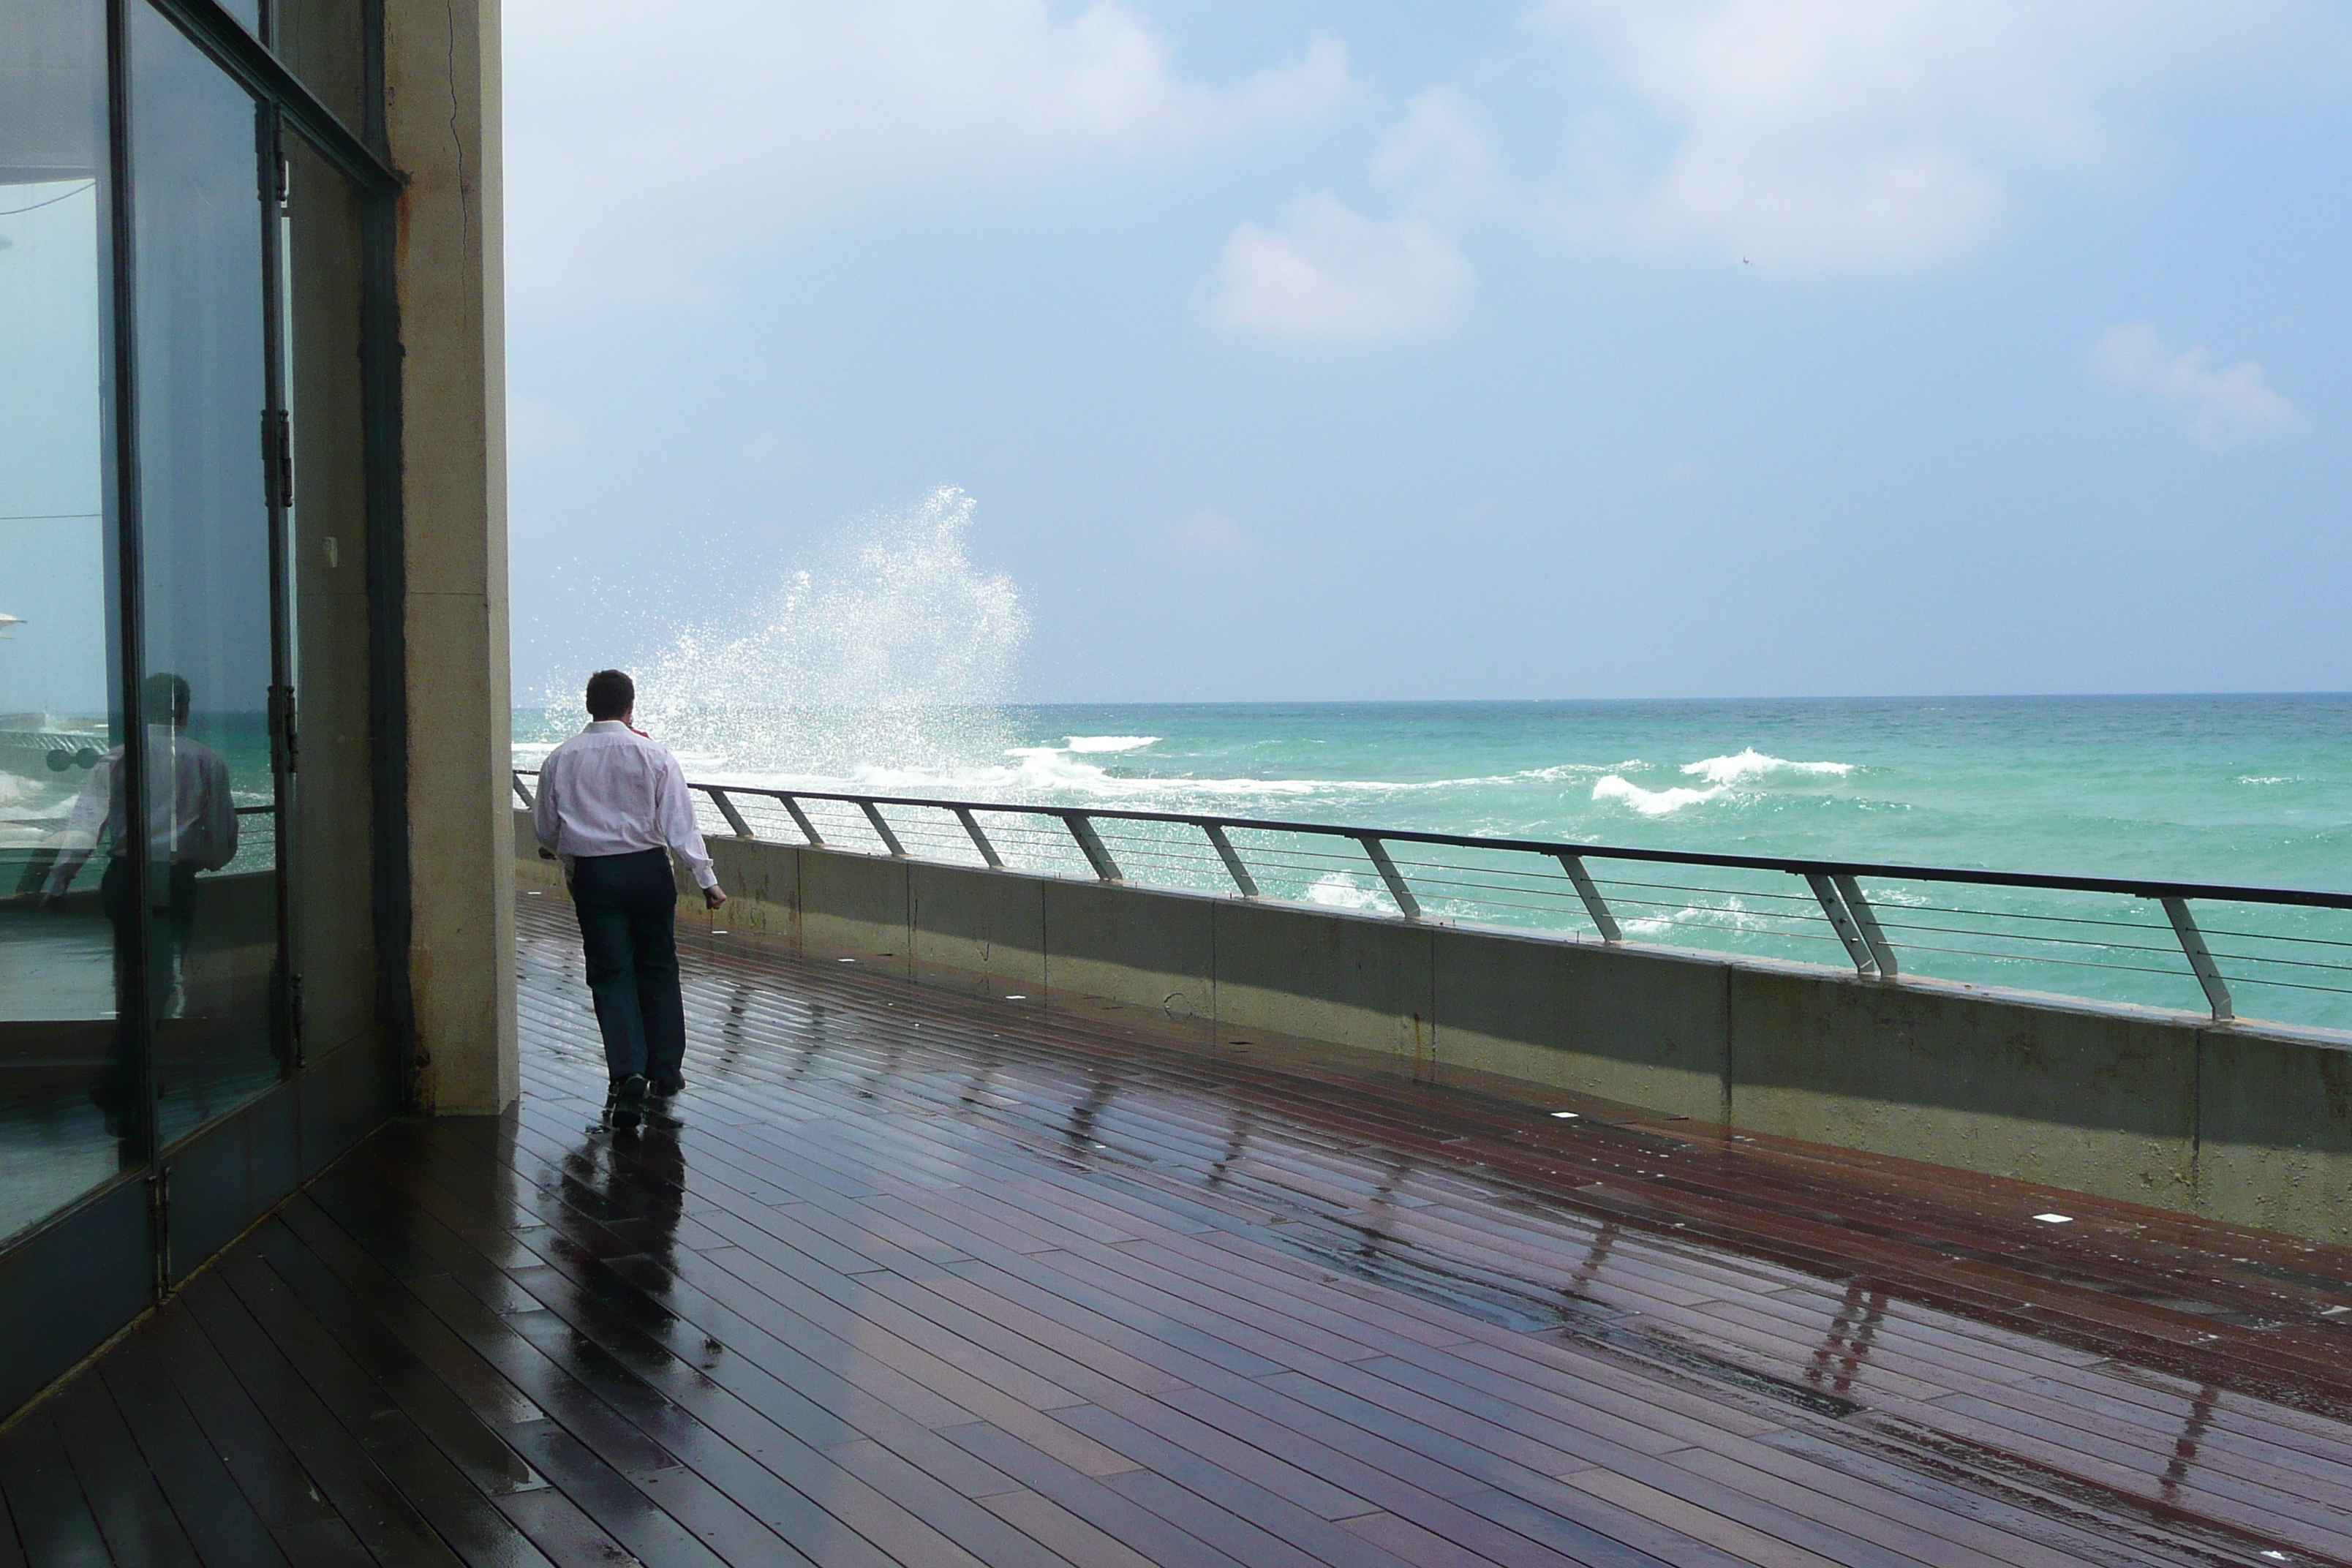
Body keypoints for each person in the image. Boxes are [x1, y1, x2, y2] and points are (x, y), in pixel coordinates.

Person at [41, 672, 240, 1146]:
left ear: (141, 709)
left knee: (137, 979)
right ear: (185, 710)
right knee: (158, 985)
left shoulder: (116, 758)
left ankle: (127, 1080)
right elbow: (223, 836)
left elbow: (85, 827)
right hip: (174, 881)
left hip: (123, 878)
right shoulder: (207, 761)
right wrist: (208, 861)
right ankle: (125, 1082)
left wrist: (59, 881)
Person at [532, 669, 725, 1129]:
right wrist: (707, 879)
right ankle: (666, 1070)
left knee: (610, 972)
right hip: (649, 871)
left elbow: (545, 825)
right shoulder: (654, 754)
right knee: (658, 964)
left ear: (588, 707)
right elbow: (680, 824)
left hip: (596, 876)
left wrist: (560, 847)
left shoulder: (560, 758)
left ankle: (628, 1071)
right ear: (630, 706)